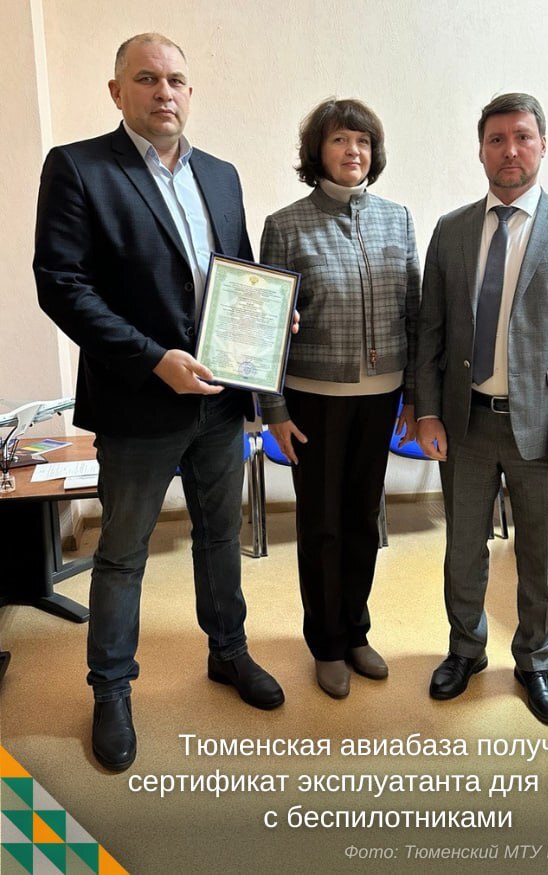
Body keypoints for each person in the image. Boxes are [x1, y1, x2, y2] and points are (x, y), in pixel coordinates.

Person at [34, 33, 285, 772]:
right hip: (138, 403)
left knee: (220, 537)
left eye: (175, 79)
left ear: (189, 92)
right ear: (117, 92)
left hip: (219, 402)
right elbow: (62, 285)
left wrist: (270, 317)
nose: (163, 92)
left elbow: (236, 273)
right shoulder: (79, 167)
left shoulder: (221, 174)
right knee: (123, 555)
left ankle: (227, 651)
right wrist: (152, 360)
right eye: (146, 79)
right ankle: (111, 688)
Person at [415, 93, 548, 725]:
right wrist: (426, 412)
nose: (510, 150)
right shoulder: (451, 230)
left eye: (523, 136)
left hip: (546, 429)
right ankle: (465, 650)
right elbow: (431, 330)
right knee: (462, 550)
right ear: (480, 149)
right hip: (466, 422)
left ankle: (534, 661)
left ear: (543, 144)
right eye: (496, 139)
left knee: (543, 558)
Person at [258, 98, 420, 698]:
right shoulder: (285, 225)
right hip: (313, 400)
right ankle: (325, 643)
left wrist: (415, 398)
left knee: (361, 521)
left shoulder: (398, 219)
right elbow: (268, 328)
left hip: (382, 397)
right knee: (322, 524)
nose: (353, 151)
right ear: (317, 151)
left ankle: (356, 631)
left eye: (363, 141)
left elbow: (415, 312)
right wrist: (273, 411)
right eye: (339, 140)